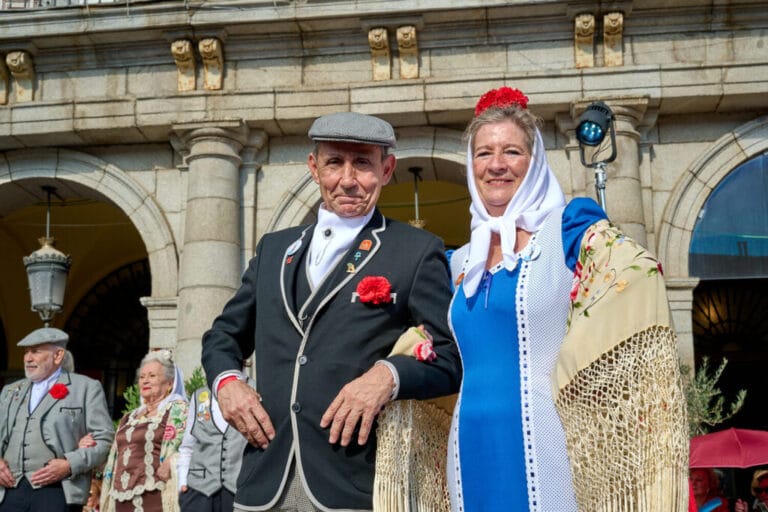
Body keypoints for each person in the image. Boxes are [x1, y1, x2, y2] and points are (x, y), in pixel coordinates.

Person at [201, 111, 461, 511]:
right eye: (334, 163)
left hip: (353, 483)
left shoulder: (416, 249)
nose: (348, 180)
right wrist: (226, 384)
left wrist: (387, 376)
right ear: (313, 167)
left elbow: (451, 356)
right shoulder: (273, 249)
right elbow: (222, 337)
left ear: (387, 169)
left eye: (362, 164)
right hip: (262, 484)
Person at [446, 86, 689, 511]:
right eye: (483, 153)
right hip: (467, 446)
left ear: (535, 161)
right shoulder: (455, 261)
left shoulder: (568, 229)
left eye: (512, 152)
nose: (496, 165)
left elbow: (637, 274)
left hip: (548, 437)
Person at [0, 327, 114, 512]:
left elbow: (105, 439)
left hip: (58, 491)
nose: (28, 358)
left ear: (58, 355)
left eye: (36, 351)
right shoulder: (10, 390)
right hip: (9, 490)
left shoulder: (86, 388)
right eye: (26, 352)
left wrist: (70, 464)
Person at [100, 350, 188, 512]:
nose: (145, 381)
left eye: (152, 376)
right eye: (142, 377)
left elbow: (192, 447)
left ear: (169, 383)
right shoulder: (128, 417)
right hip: (120, 498)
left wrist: (173, 461)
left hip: (155, 497)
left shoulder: (178, 410)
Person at [176, 366, 254, 512]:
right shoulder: (200, 395)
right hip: (198, 493)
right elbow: (187, 446)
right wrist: (182, 483)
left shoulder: (255, 390)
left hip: (239, 491)